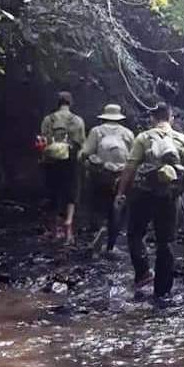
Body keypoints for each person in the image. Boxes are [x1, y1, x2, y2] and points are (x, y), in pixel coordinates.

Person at [114, 103, 184, 297]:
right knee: (166, 242)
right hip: (170, 196)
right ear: (171, 119)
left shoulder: (144, 138)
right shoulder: (183, 140)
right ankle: (162, 293)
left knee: (135, 234)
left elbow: (130, 168)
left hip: (143, 194)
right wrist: (182, 190)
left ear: (152, 119)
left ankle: (143, 273)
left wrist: (121, 193)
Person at [81, 104, 136, 254]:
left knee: (98, 206)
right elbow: (134, 158)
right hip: (122, 178)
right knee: (117, 209)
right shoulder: (128, 134)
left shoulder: (96, 131)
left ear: (104, 116)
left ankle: (98, 232)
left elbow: (85, 153)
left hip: (101, 175)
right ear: (119, 118)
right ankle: (111, 245)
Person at [39, 91, 86, 245]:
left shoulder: (48, 119)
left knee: (53, 191)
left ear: (58, 103)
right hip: (71, 160)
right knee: (71, 191)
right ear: (70, 103)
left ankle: (54, 230)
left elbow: (43, 140)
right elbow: (82, 143)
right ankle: (69, 222)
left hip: (52, 159)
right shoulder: (77, 120)